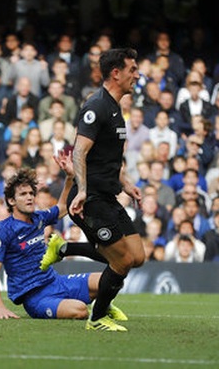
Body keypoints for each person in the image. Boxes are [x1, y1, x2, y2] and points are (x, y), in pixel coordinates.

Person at [44, 48, 146, 332]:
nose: (137, 75)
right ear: (116, 73)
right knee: (122, 260)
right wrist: (82, 191)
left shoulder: (115, 109)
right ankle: (98, 316)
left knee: (136, 256)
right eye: (133, 70)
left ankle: (64, 248)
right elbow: (79, 151)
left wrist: (127, 184)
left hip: (109, 195)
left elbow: (108, 157)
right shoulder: (96, 106)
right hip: (90, 199)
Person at [0, 157, 127, 323]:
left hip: (55, 281)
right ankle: (97, 308)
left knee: (110, 280)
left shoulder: (39, 218)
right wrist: (0, 307)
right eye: (23, 194)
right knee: (80, 310)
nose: (29, 197)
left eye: (31, 193)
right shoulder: (4, 230)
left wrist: (69, 178)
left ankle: (102, 306)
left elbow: (61, 207)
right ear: (11, 201)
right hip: (35, 296)